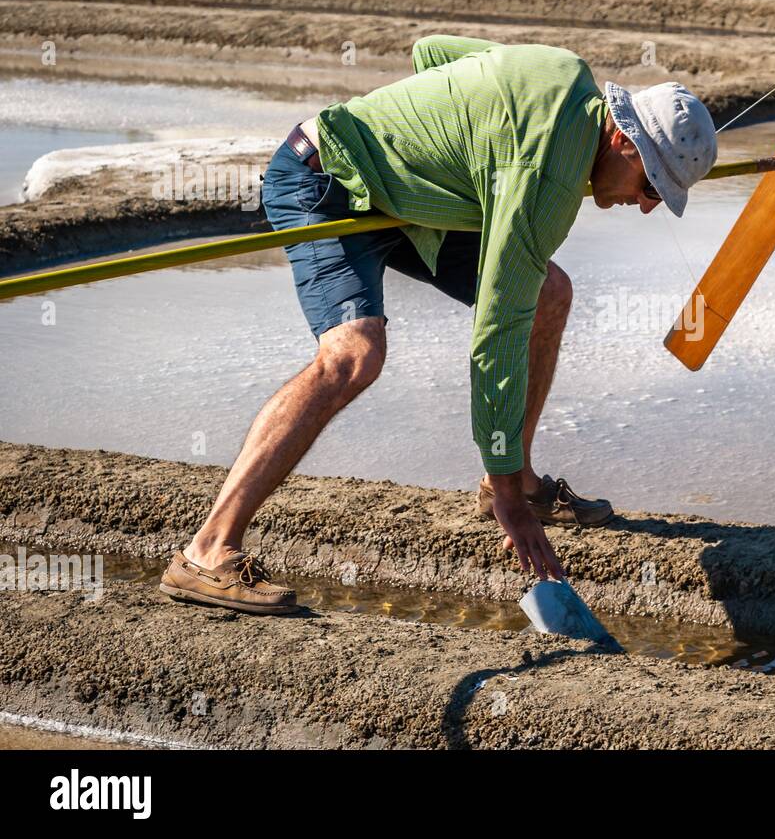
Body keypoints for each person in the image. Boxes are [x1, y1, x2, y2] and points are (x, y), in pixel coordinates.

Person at [159, 35, 718, 614]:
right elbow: (499, 330)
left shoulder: (563, 70)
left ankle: (521, 477)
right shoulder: (544, 180)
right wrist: (508, 504)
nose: (649, 205)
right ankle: (207, 549)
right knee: (354, 355)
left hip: (406, 200)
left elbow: (433, 54)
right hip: (327, 182)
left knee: (551, 293)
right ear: (624, 140)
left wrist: (440, 149)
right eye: (652, 185)